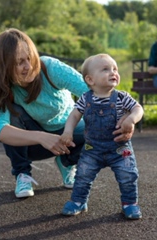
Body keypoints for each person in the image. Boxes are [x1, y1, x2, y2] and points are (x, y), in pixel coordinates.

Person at [0, 29, 134, 199]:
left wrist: (125, 115)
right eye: (20, 62)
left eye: (30, 58)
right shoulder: (0, 87)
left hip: (69, 133)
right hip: (33, 142)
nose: (29, 66)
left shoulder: (50, 67)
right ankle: (22, 174)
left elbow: (92, 90)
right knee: (12, 114)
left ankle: (67, 162)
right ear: (5, 66)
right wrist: (41, 137)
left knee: (109, 130)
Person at [60, 53, 143, 220]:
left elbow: (138, 109)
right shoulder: (85, 99)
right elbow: (74, 115)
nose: (113, 72)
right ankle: (78, 201)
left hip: (119, 148)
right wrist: (68, 131)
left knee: (128, 175)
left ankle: (129, 203)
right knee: (83, 175)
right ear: (90, 80)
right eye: (105, 69)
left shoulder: (121, 97)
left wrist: (132, 119)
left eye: (115, 69)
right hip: (92, 149)